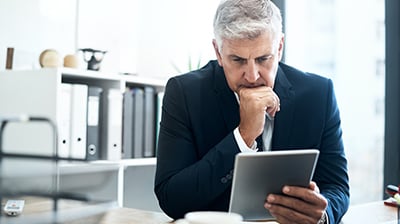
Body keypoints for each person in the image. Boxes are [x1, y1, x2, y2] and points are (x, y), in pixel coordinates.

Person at [154, 0, 350, 223]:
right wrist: (244, 135)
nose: (252, 76)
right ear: (218, 52)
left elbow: (337, 187)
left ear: (279, 47)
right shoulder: (184, 93)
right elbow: (171, 197)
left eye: (263, 58)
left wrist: (322, 215)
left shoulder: (318, 94)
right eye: (237, 60)